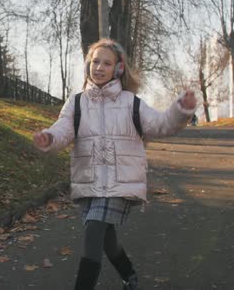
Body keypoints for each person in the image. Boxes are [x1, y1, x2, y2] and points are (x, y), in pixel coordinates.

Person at [33, 39, 196, 290]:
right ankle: (129, 276)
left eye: (106, 63)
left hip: (119, 184)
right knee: (107, 240)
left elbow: (161, 124)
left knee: (93, 232)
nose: (99, 67)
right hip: (89, 183)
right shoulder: (76, 103)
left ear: (118, 69)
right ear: (88, 65)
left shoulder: (131, 102)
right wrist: (49, 138)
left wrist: (180, 111)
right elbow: (62, 130)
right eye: (95, 61)